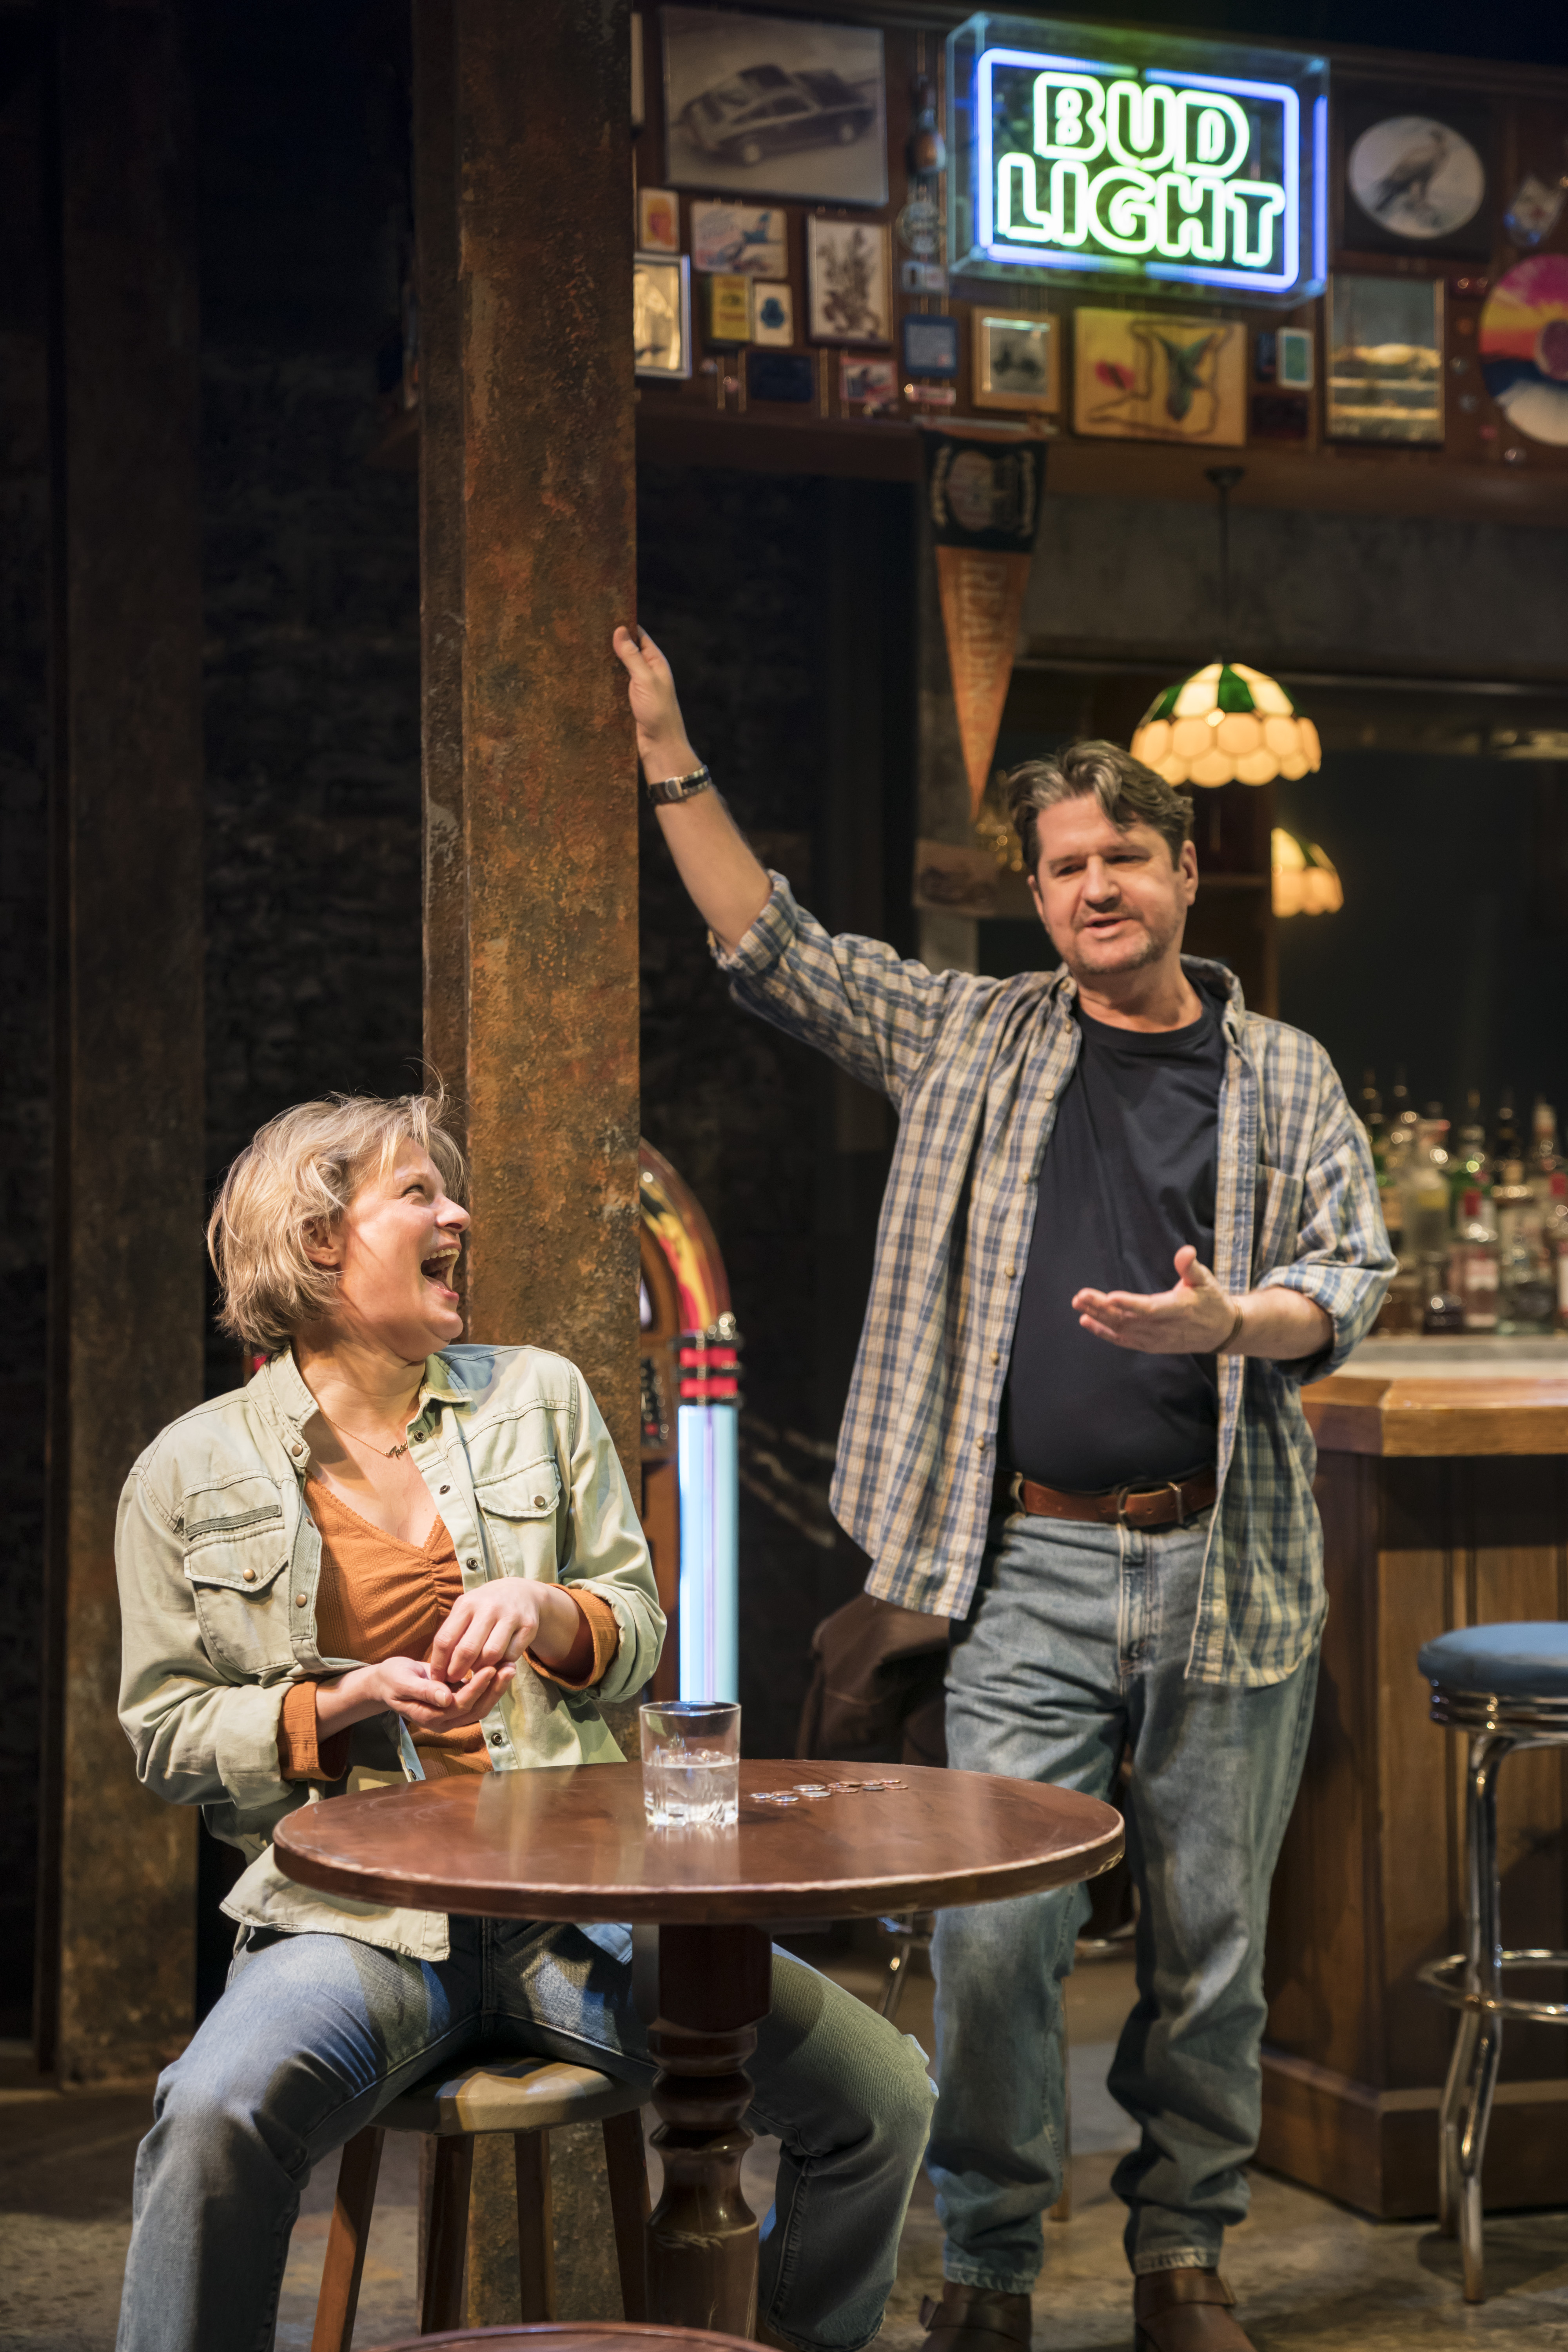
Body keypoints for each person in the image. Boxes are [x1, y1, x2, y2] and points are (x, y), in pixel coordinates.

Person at [613, 625, 1394, 2352]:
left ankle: (1183, 2258)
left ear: (1186, 873)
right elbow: (769, 944)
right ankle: (987, 2266)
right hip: (1021, 1566)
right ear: (1034, 898)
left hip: (1227, 1570)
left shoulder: (1285, 1075)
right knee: (998, 1943)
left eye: (1124, 856)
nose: (1093, 888)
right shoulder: (973, 1037)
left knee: (1209, 1951)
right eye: (1063, 869)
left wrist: (1230, 1322)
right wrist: (669, 745)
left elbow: (1350, 1275)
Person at [114, 1089, 933, 2352]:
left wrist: (545, 1609)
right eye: (419, 1195)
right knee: (212, 2114)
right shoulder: (188, 1470)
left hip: (583, 1915)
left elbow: (637, 1636)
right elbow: (167, 1735)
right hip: (356, 1932)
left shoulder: (536, 1400)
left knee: (884, 2095)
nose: (460, 1214)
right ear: (322, 1241)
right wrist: (342, 1702)